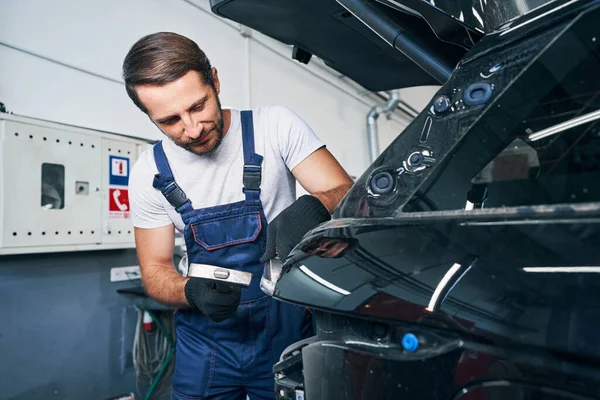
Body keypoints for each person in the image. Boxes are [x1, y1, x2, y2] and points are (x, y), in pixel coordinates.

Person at [122, 32, 354, 400]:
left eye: (198, 106)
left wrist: (317, 205)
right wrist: (189, 291)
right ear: (149, 117)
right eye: (170, 121)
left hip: (285, 329)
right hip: (205, 343)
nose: (193, 129)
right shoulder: (148, 171)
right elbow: (154, 271)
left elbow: (348, 193)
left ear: (215, 80)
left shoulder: (274, 126)